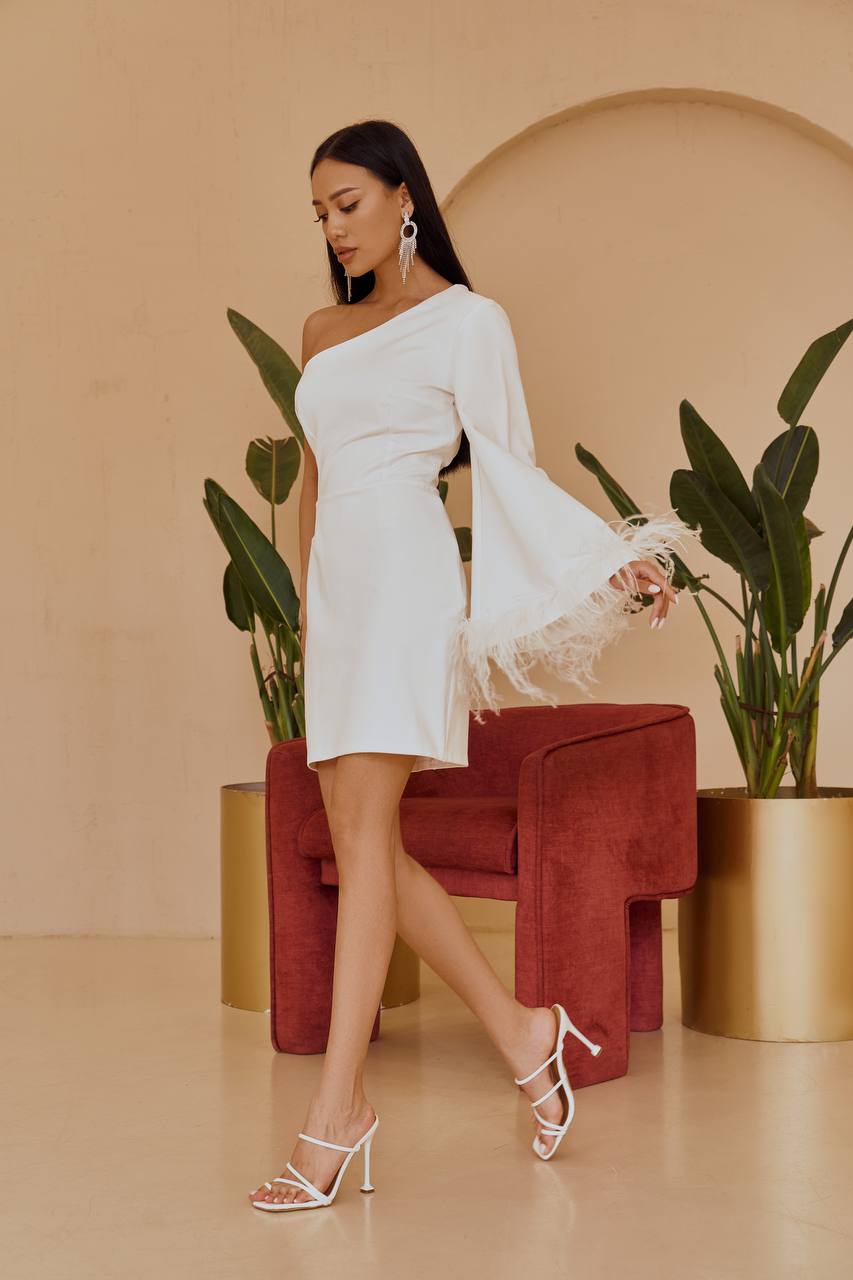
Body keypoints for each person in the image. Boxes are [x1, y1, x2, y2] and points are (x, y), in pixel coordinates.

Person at [249, 120, 694, 1212]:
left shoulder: (467, 322)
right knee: (366, 841)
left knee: (364, 837)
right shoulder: (320, 329)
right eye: (319, 212)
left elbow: (509, 466)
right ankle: (525, 1031)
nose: (333, 228)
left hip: (406, 584)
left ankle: (337, 1114)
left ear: (404, 196)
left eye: (348, 202)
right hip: (341, 598)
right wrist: (308, 617)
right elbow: (315, 483)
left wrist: (610, 562)